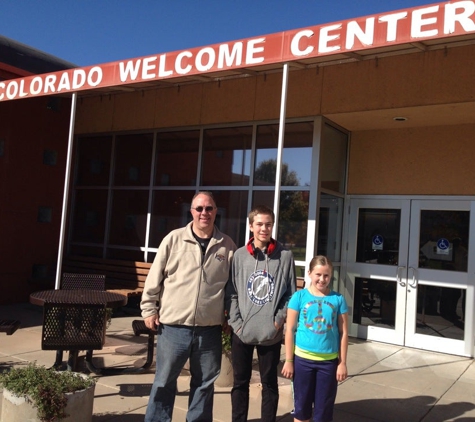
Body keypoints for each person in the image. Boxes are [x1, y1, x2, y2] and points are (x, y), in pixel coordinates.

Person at [141, 191, 237, 422]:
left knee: (204, 385)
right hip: (173, 327)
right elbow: (155, 277)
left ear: (216, 212)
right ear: (192, 211)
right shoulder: (173, 239)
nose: (205, 213)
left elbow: (231, 289)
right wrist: (149, 309)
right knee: (164, 382)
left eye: (209, 208)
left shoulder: (227, 246)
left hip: (209, 329)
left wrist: (230, 318)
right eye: (199, 208)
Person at [226, 204, 296, 422]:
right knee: (240, 383)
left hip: (270, 335)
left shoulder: (285, 256)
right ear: (250, 226)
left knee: (269, 384)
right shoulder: (239, 256)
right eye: (259, 224)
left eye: (268, 224)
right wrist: (236, 323)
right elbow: (233, 293)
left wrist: (277, 322)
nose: (264, 229)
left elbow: (290, 295)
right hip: (242, 333)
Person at [282, 255, 348, 422]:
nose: (322, 279)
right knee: (301, 410)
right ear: (309, 273)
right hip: (303, 361)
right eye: (318, 274)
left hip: (328, 363)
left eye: (326, 275)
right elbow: (289, 329)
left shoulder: (338, 299)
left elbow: (343, 332)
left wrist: (342, 363)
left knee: (323, 412)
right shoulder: (299, 297)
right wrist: (289, 360)